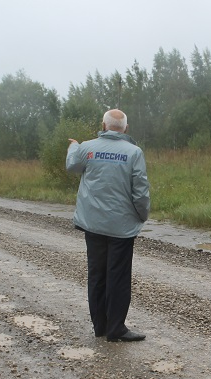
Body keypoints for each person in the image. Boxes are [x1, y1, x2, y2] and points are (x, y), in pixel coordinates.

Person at [66, 109, 150, 342]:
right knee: (118, 277)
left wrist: (74, 146)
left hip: (93, 224)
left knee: (97, 274)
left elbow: (72, 165)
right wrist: (142, 216)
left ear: (103, 125)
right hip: (121, 228)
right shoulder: (134, 152)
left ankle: (100, 327)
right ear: (126, 129)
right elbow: (140, 192)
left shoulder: (87, 148)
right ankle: (116, 329)